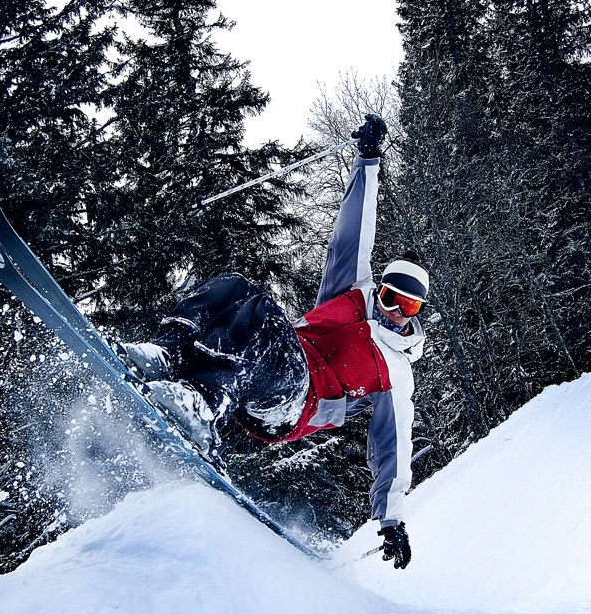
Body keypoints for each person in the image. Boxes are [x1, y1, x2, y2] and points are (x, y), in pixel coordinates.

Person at [124, 115, 428, 567]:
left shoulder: (396, 373)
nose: (394, 311)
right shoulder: (351, 294)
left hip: (297, 400)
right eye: (389, 296)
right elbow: (352, 236)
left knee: (265, 322)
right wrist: (367, 162)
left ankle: (199, 405)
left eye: (409, 307)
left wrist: (392, 520)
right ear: (377, 289)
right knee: (234, 287)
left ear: (418, 314)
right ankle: (164, 354)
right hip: (275, 366)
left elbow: (392, 446)